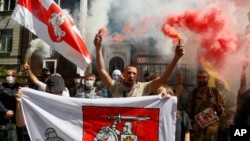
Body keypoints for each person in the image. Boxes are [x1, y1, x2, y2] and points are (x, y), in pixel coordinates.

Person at [94, 30, 185, 97]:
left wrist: (176, 58)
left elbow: (163, 79)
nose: (131, 75)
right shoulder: (114, 87)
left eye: (134, 73)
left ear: (136, 76)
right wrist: (98, 48)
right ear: (123, 74)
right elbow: (101, 70)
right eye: (129, 73)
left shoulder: (142, 88)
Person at [186, 70, 224, 141]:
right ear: (197, 78)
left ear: (208, 78)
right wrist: (192, 127)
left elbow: (222, 110)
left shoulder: (215, 92)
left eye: (204, 77)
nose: (202, 80)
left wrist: (217, 107)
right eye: (200, 78)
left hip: (211, 131)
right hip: (197, 131)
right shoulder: (193, 93)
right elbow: (189, 111)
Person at [0, 70, 24, 141]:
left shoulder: (20, 87)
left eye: (13, 75)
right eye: (8, 75)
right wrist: (5, 111)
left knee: (18, 136)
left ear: (16, 77)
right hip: (3, 117)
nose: (10, 77)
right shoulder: (1, 87)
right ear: (5, 77)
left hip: (17, 118)